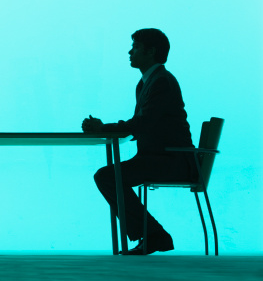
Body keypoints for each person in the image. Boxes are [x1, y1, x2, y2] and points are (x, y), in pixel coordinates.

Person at [82, 28, 196, 255]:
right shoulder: (147, 82)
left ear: (151, 51)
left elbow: (143, 123)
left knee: (107, 177)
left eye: (135, 47)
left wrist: (103, 128)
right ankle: (153, 235)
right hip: (160, 157)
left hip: (170, 160)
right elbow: (141, 122)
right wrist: (105, 128)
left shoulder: (161, 82)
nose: (129, 52)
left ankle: (154, 235)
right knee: (108, 176)